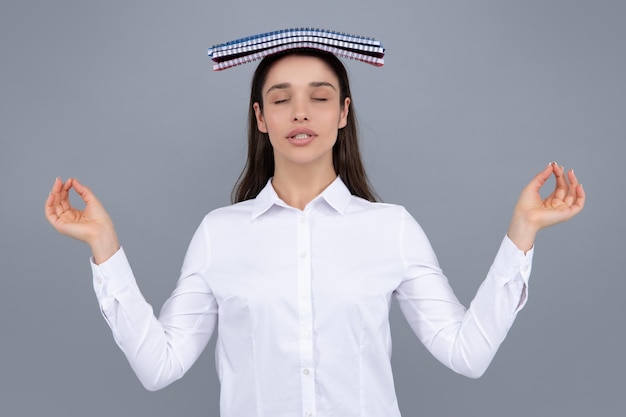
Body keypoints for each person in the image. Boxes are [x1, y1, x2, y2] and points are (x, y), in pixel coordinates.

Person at [45, 49, 585, 417]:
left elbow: (467, 353)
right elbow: (158, 367)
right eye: (281, 99)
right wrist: (104, 247)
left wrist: (523, 231)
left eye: (320, 96)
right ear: (261, 118)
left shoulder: (390, 229)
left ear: (344, 112)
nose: (300, 112)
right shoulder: (220, 234)